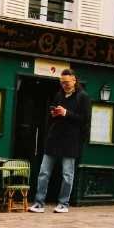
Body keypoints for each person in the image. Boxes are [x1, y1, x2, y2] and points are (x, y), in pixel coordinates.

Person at [29, 69, 90, 213]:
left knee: (67, 175)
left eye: (66, 82)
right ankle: (39, 204)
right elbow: (52, 117)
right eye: (62, 83)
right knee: (43, 172)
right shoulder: (59, 95)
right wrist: (54, 113)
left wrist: (66, 113)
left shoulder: (83, 97)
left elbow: (85, 120)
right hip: (54, 139)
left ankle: (63, 204)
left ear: (74, 80)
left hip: (71, 141)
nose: (64, 85)